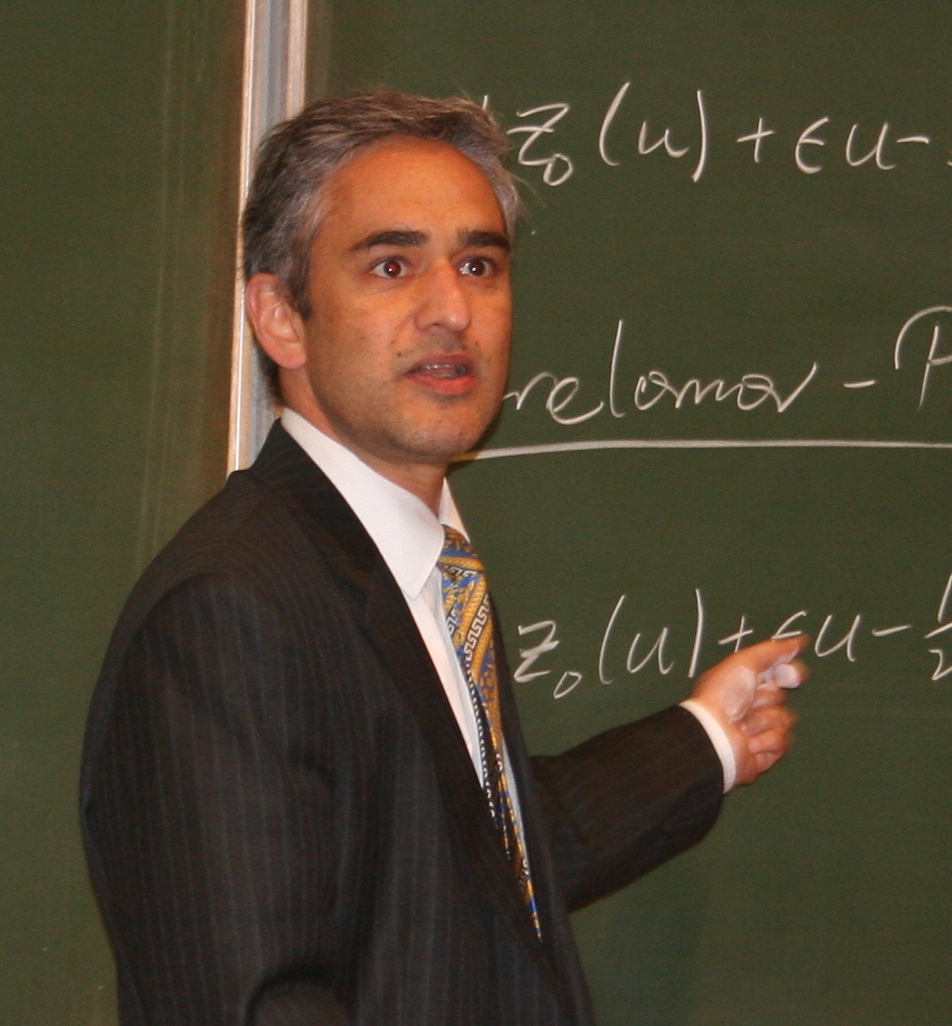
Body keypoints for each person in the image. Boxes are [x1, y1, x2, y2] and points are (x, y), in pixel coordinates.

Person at [81, 92, 806, 1026]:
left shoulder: (418, 567)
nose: (452, 310)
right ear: (281, 317)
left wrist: (705, 739)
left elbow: (465, 857)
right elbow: (254, 1005)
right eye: (392, 266)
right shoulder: (233, 611)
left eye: (478, 264)